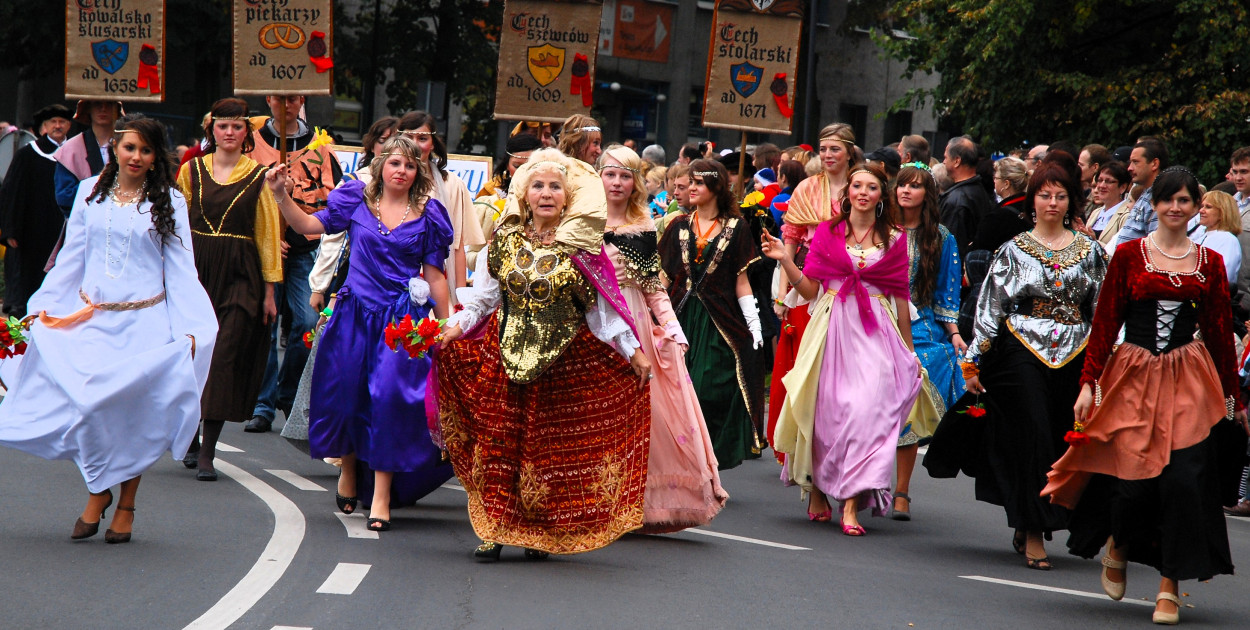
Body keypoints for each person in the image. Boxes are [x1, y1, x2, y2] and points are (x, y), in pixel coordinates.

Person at [1042, 167, 1248, 625]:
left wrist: (1233, 398)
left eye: (1185, 201)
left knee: (1183, 482)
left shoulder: (1209, 263)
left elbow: (1217, 331)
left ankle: (1168, 587)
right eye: (1167, 200)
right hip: (1132, 375)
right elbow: (1104, 322)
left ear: (1197, 209)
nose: (1175, 208)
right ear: (1153, 205)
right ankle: (1119, 541)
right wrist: (1089, 383)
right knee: (1132, 483)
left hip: (1188, 378)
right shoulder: (1130, 255)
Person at [0, 115, 218, 542]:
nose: (136, 157)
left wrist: (193, 329)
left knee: (132, 416)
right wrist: (41, 306)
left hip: (146, 323)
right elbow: (72, 259)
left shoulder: (169, 201)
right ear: (115, 149)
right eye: (129, 148)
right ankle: (98, 490)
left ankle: (127, 504)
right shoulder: (89, 193)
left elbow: (181, 271)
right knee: (87, 408)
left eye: (145, 150)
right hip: (92, 321)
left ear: (156, 157)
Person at [435, 148, 652, 559]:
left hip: (561, 366)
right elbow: (483, 301)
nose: (547, 193)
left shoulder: (583, 249)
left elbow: (602, 313)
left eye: (555, 187)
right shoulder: (504, 242)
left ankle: (539, 534)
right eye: (538, 186)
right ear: (525, 195)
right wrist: (453, 328)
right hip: (504, 359)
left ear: (567, 198)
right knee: (498, 446)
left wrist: (634, 352)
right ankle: (495, 529)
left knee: (545, 453)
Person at [924, 153, 1108, 570]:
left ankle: (1046, 516)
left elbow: (1102, 313)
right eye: (1045, 195)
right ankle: (1030, 527)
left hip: (1076, 351)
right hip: (1020, 348)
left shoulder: (1093, 252)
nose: (1053, 203)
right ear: (1033, 199)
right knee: (1033, 433)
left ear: (1071, 202)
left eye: (1061, 196)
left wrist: (1103, 367)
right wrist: (972, 365)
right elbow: (990, 309)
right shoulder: (1012, 250)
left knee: (1063, 438)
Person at [271, 135, 454, 531]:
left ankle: (383, 497)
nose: (402, 171)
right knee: (349, 397)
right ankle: (349, 470)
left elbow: (436, 276)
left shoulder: (429, 214)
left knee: (388, 399)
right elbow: (306, 226)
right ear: (380, 166)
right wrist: (280, 194)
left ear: (418, 172)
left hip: (402, 323)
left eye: (410, 165)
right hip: (354, 315)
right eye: (395, 164)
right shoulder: (354, 199)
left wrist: (447, 325)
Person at [765, 162, 921, 535]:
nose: (863, 192)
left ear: (882, 196)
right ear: (847, 193)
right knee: (830, 413)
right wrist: (786, 260)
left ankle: (850, 503)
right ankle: (818, 486)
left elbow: (900, 296)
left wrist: (909, 351)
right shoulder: (827, 232)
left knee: (867, 411)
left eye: (871, 187)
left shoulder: (897, 238)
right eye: (857, 186)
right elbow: (810, 291)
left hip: (876, 329)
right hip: (832, 323)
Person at [600, 146, 728, 532]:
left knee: (638, 415)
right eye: (611, 174)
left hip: (634, 319)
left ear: (636, 182)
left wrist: (673, 330)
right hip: (594, 322)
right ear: (598, 177)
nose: (618, 182)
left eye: (626, 175)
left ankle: (632, 502)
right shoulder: (580, 223)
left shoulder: (643, 226)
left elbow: (654, 289)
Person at [176, 98, 283, 479]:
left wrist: (270, 291)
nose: (230, 132)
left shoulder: (259, 176)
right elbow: (175, 224)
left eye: (238, 126)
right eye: (223, 125)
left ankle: (209, 451)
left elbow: (268, 235)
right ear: (212, 130)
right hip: (196, 269)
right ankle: (188, 436)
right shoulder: (190, 171)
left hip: (241, 273)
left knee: (222, 359)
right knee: (192, 357)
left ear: (246, 134)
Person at [281, 116, 399, 447]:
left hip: (402, 311)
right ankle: (346, 461)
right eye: (389, 154)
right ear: (376, 153)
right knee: (348, 382)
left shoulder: (425, 204)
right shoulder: (356, 190)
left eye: (407, 162)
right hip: (357, 302)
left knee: (391, 391)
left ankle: (380, 462)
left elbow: (434, 266)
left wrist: (446, 316)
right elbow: (319, 231)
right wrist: (321, 286)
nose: (399, 168)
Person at [659, 159, 767, 469]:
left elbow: (741, 282)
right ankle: (687, 463)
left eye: (699, 183)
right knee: (678, 394)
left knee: (710, 390)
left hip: (718, 322)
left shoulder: (738, 229)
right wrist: (653, 317)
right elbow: (664, 279)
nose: (691, 187)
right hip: (679, 320)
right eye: (689, 182)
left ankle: (708, 457)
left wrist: (753, 324)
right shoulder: (677, 225)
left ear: (716, 188)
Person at [245, 94, 342, 434]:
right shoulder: (250, 144)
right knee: (266, 325)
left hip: (305, 250)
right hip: (266, 250)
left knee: (306, 323)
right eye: (278, 98)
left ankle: (288, 393)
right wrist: (270, 236)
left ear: (301, 100)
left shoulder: (321, 149)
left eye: (292, 98)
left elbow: (334, 201)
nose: (284, 104)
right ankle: (263, 403)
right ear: (269, 99)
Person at [769, 123, 856, 461]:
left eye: (834, 149)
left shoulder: (859, 188)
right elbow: (788, 244)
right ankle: (797, 444)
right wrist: (781, 293)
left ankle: (834, 444)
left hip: (848, 283)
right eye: (823, 149)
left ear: (849, 151)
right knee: (801, 363)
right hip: (806, 281)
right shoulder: (806, 188)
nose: (827, 155)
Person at [891, 162, 964, 521]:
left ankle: (901, 490)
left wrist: (954, 334)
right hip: (873, 319)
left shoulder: (942, 238)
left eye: (915, 186)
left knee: (911, 398)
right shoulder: (878, 230)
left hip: (920, 326)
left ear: (928, 195)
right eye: (902, 184)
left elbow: (946, 297)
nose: (906, 191)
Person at [396, 112, 486, 300]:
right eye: (408, 137)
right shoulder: (386, 182)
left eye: (422, 138)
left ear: (433, 143)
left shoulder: (452, 184)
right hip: (393, 281)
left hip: (438, 284)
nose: (414, 144)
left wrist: (460, 299)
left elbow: (457, 245)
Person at [0, 104, 73, 317]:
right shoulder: (28, 154)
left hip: (65, 227)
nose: (58, 126)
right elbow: (11, 192)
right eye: (53, 122)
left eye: (62, 122)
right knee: (28, 282)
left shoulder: (76, 153)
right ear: (44, 127)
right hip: (32, 230)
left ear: (69, 125)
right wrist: (10, 230)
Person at [470, 133, 542, 268]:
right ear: (507, 167)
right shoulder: (490, 206)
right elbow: (469, 256)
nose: (523, 173)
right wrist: (492, 255)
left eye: (530, 167)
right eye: (517, 166)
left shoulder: (553, 206)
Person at [939, 136, 994, 259]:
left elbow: (952, 246)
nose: (943, 162)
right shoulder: (979, 189)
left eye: (946, 157)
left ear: (957, 161)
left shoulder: (957, 199)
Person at [1110, 138, 1168, 250]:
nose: (1129, 168)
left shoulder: (1161, 197)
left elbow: (1157, 247)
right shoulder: (1146, 193)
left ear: (1154, 164)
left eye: (1135, 162)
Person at [1190, 191, 1242, 285]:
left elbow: (1223, 275)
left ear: (1223, 212)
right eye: (1202, 206)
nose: (1201, 210)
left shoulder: (1228, 240)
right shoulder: (1202, 235)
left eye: (1208, 207)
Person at [1086, 163, 1131, 245]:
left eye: (1108, 181)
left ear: (1122, 187)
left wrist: (1094, 242)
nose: (1102, 185)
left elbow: (1122, 250)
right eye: (1099, 180)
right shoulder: (1095, 213)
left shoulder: (1127, 215)